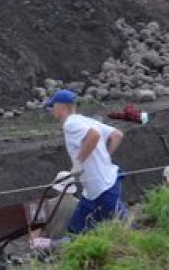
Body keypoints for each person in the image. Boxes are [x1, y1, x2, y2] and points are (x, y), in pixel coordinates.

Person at [45, 89, 127, 234]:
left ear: (61, 107)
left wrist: (78, 162)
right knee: (76, 228)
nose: (52, 110)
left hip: (103, 187)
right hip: (92, 189)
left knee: (121, 226)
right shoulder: (86, 120)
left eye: (53, 106)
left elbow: (94, 135)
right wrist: (105, 158)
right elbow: (117, 135)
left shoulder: (70, 124)